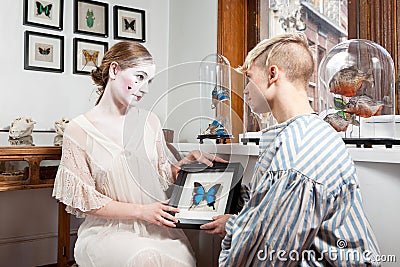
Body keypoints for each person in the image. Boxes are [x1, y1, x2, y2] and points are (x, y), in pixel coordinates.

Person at [201, 32, 381, 266]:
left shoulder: (299, 152)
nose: (245, 90)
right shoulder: (304, 132)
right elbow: (268, 207)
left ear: (273, 74)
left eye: (249, 77)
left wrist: (232, 230)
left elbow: (264, 257)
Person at [52, 41, 225, 267]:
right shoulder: (78, 130)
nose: (144, 89)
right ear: (114, 70)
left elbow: (161, 175)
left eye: (149, 81)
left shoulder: (150, 122)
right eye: (139, 77)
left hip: (156, 230)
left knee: (181, 260)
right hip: (106, 233)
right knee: (145, 258)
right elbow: (86, 202)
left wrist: (187, 163)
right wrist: (141, 211)